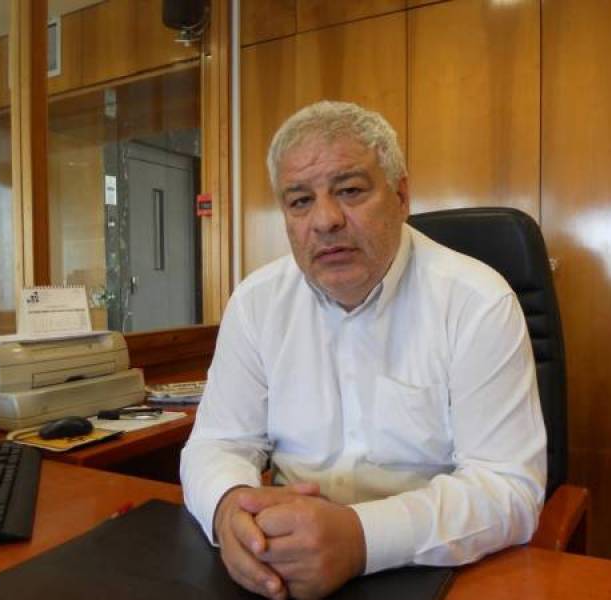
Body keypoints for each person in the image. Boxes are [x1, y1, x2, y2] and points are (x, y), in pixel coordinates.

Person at [180, 101, 546, 600]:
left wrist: (360, 537)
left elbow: (508, 487)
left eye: (350, 191)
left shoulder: (477, 300)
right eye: (300, 200)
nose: (325, 220)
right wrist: (228, 507)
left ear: (401, 195)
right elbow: (217, 443)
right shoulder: (256, 302)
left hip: (435, 564)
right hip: (283, 561)